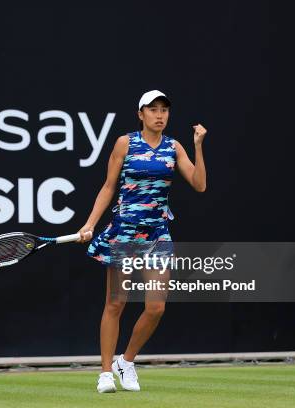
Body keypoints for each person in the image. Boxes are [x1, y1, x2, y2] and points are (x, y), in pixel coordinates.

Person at [77, 90, 207, 393]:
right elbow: (109, 186)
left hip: (157, 233)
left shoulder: (174, 147)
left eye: (164, 110)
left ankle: (128, 361)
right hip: (125, 231)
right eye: (153, 110)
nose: (159, 115)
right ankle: (106, 373)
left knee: (156, 308)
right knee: (116, 303)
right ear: (141, 114)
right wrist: (90, 223)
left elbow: (200, 185)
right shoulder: (125, 143)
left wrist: (198, 147)